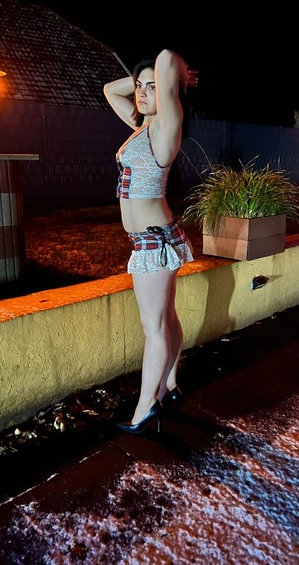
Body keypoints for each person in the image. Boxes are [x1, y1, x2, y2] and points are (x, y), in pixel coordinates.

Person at [103, 48, 198, 434]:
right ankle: (170, 386)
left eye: (151, 87)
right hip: (156, 238)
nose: (140, 93)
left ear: (170, 92)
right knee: (166, 318)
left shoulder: (166, 126)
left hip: (153, 243)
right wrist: (144, 80)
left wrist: (179, 76)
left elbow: (166, 57)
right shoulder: (142, 124)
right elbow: (111, 90)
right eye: (139, 87)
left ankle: (145, 409)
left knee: (153, 327)